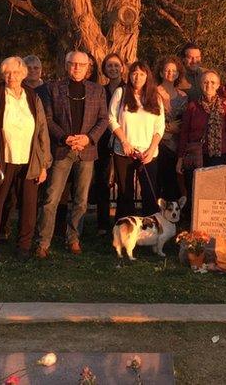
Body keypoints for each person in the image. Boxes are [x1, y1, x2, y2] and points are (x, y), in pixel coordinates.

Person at [0, 57, 51, 260]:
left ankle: (23, 248)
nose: (12, 77)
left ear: (24, 74)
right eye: (7, 73)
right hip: (2, 159)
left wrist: (44, 163)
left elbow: (42, 131)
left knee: (29, 206)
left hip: (29, 159)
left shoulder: (32, 96)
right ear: (2, 74)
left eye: (16, 73)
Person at [37, 51, 109, 258]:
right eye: (72, 64)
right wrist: (65, 138)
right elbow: (47, 119)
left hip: (86, 150)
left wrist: (89, 138)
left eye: (81, 64)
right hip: (63, 149)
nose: (77, 68)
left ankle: (74, 238)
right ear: (66, 65)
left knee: (81, 200)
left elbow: (103, 119)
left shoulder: (97, 90)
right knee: (51, 198)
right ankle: (43, 242)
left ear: (88, 68)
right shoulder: (53, 89)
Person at [178, 70, 226, 208]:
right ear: (201, 85)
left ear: (218, 85)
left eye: (212, 82)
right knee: (195, 192)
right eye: (205, 82)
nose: (209, 85)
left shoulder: (225, 107)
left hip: (219, 156)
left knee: (215, 193)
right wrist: (180, 158)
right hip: (196, 157)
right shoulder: (192, 107)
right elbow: (184, 133)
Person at [108, 61, 166, 219]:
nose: (137, 77)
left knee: (149, 192)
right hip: (124, 151)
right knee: (125, 193)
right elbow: (111, 119)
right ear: (129, 75)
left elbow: (159, 127)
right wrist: (124, 141)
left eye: (141, 73)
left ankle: (150, 230)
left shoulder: (156, 97)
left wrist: (152, 149)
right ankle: (124, 230)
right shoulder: (121, 93)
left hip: (148, 153)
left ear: (147, 76)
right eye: (134, 73)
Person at [89, 53, 125, 235]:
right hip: (103, 140)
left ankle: (121, 221)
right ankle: (103, 224)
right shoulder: (99, 90)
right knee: (103, 181)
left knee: (123, 181)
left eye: (116, 65)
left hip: (124, 139)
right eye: (109, 66)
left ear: (122, 68)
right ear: (104, 69)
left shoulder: (129, 89)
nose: (113, 69)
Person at [156, 56, 189, 201]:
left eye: (174, 71)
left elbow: (185, 121)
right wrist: (168, 127)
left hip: (177, 144)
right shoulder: (153, 92)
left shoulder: (183, 96)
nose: (170, 73)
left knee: (174, 181)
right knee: (159, 179)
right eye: (167, 70)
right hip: (159, 142)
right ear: (161, 73)